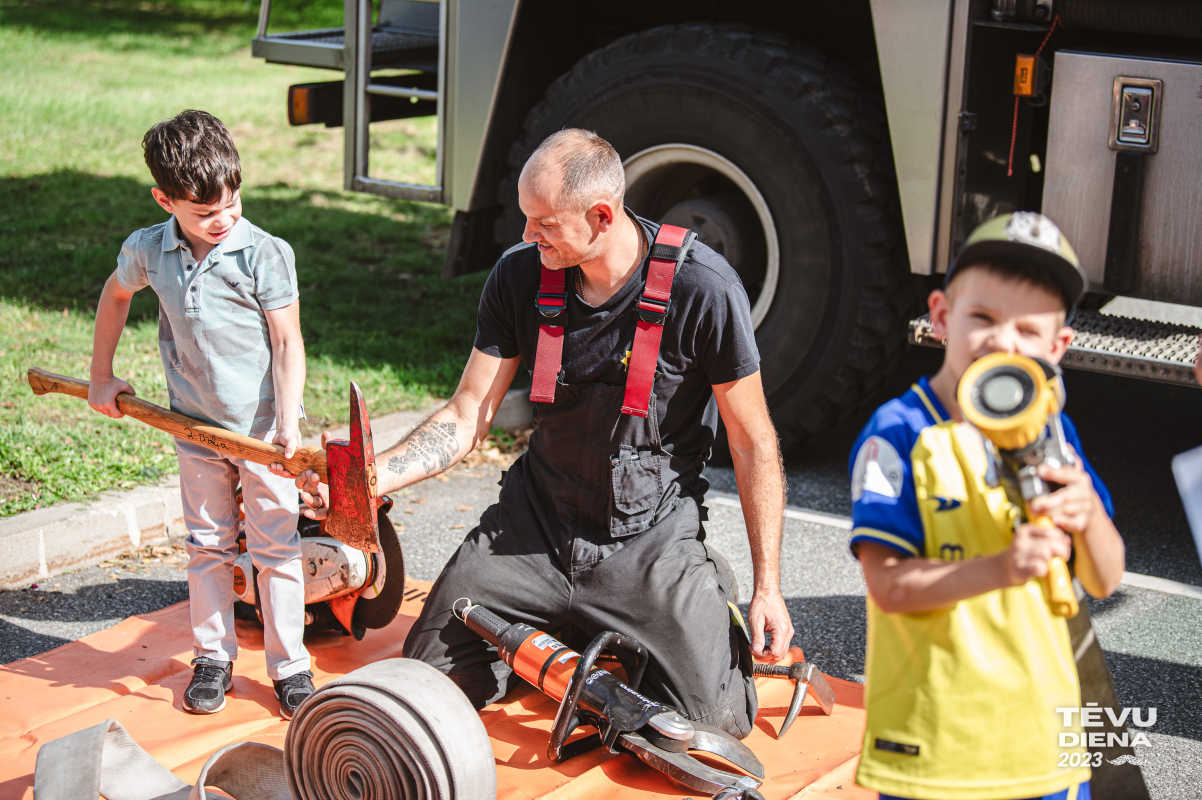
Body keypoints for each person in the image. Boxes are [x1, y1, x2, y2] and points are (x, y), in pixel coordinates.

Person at [277, 128, 793, 738]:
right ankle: (560, 627)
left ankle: (701, 591)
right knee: (425, 684)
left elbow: (753, 442)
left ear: (601, 216)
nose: (527, 236)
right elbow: (468, 413)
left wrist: (769, 587)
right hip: (534, 531)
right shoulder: (521, 275)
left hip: (648, 540)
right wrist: (366, 479)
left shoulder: (702, 289)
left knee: (713, 721)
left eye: (543, 223)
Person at [848, 212, 1126, 799]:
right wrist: (1000, 569)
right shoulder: (896, 434)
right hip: (934, 750)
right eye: (983, 318)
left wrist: (1089, 517)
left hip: (1045, 747)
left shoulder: (1053, 429)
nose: (1003, 342)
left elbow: (1105, 578)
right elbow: (889, 586)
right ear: (943, 317)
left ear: (1058, 348)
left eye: (1029, 332)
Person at [88, 110, 315, 718]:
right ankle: (212, 658)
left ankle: (290, 666)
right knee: (208, 545)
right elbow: (114, 295)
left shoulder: (264, 254)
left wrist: (288, 423)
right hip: (195, 427)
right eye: (205, 212)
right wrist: (101, 376)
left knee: (276, 549)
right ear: (165, 199)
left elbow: (289, 343)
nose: (224, 220)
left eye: (232, 203)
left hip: (267, 431)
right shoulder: (149, 250)